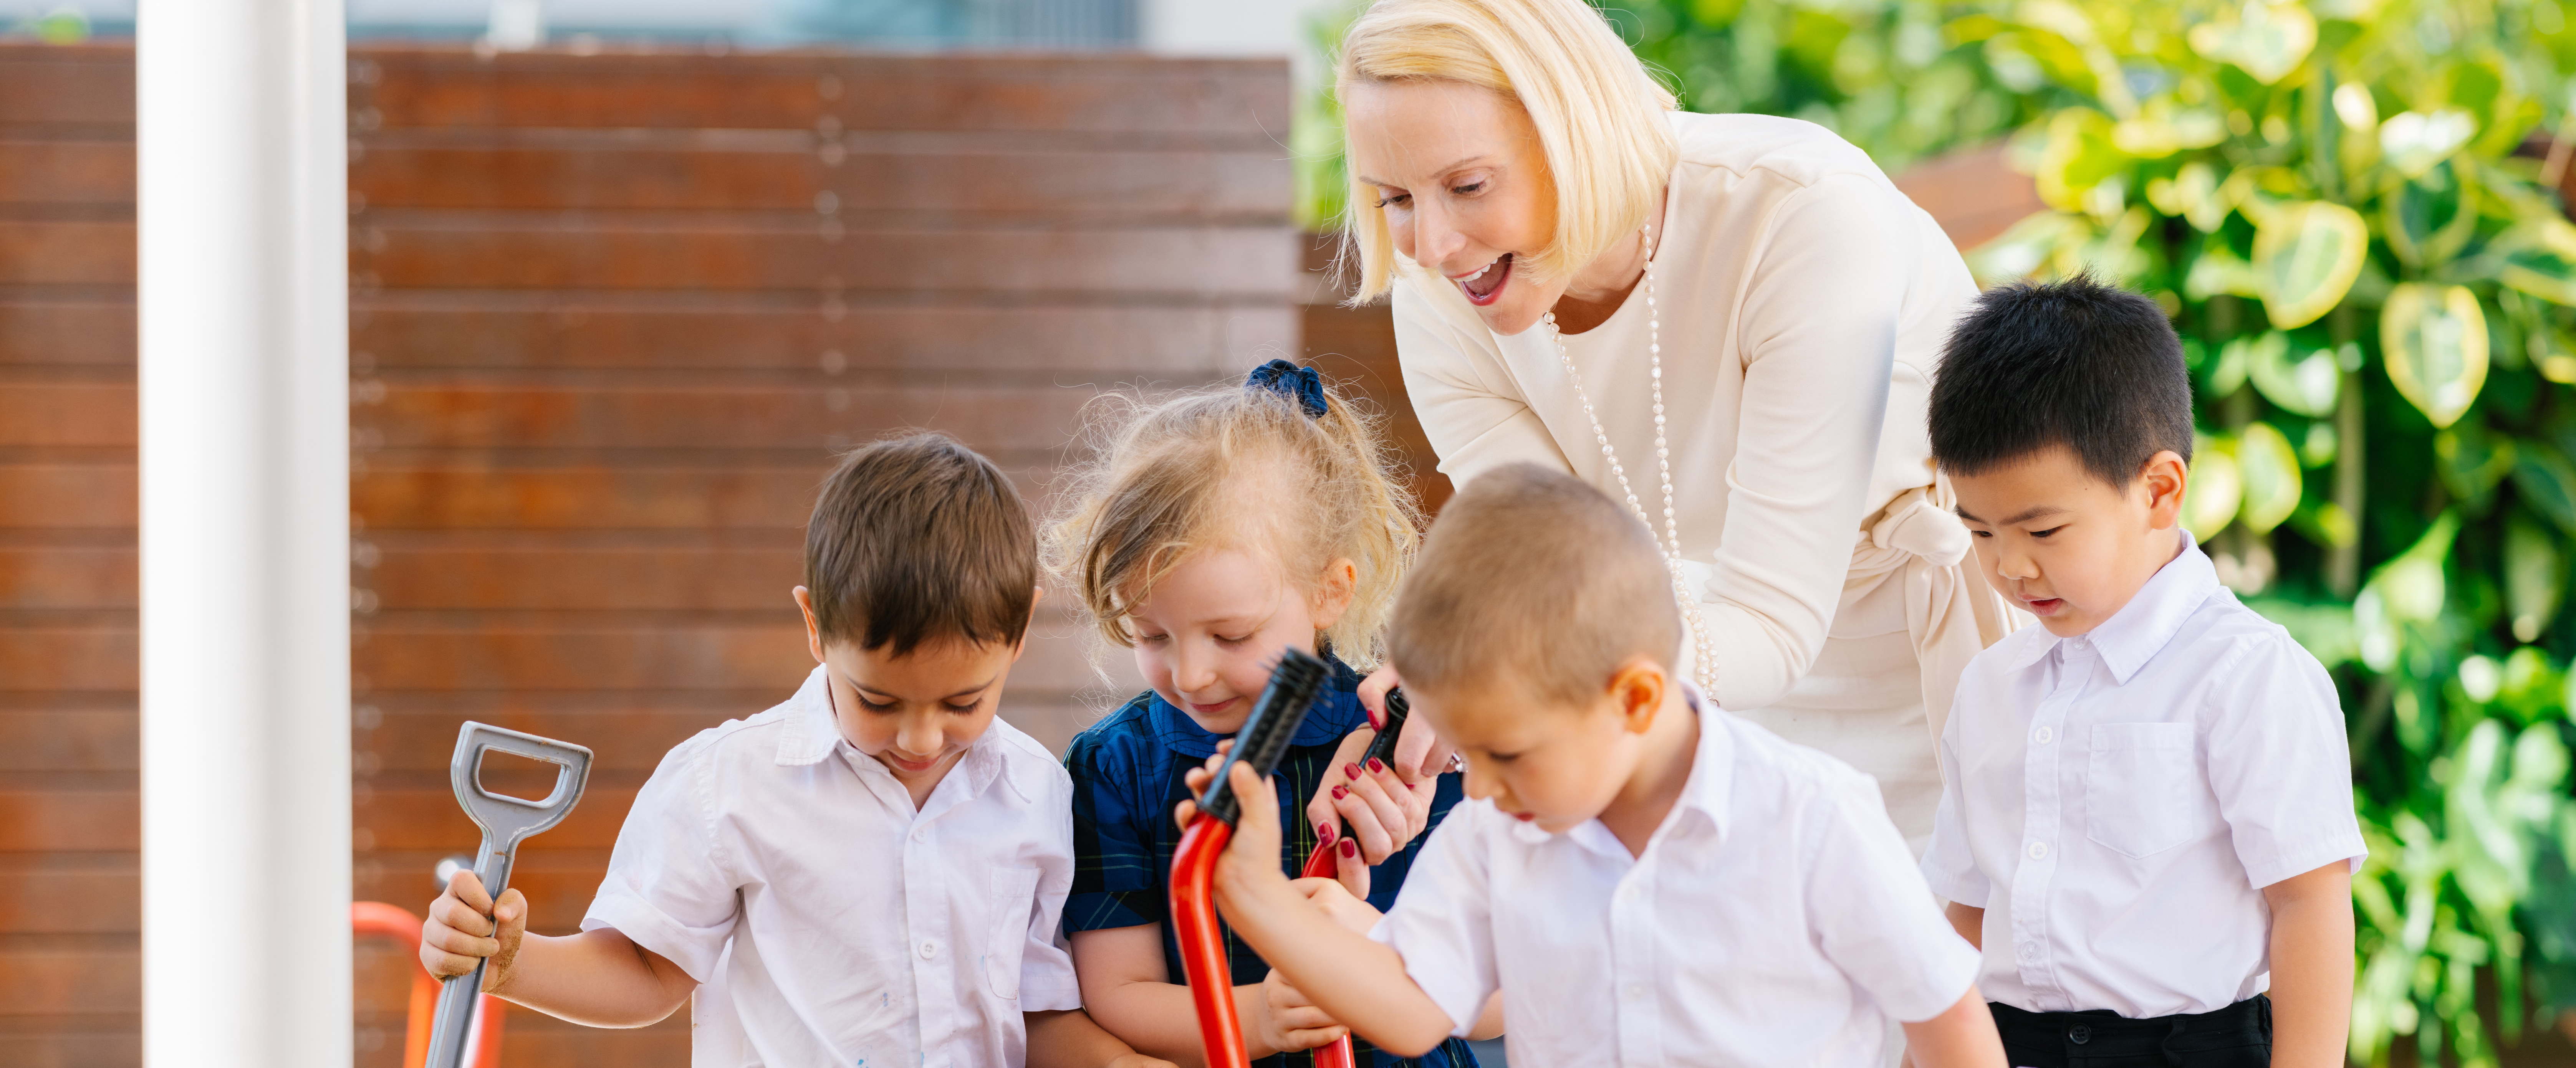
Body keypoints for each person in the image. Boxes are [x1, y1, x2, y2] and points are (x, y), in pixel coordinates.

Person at [1304, 0, 2024, 857]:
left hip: (1925, 680)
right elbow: (1550, 572)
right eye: (1393, 198)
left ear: (1577, 128)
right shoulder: (1440, 293)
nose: (1433, 243)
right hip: (1671, 702)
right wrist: (1447, 699)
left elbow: (1769, 618)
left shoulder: (1800, 213)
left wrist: (1497, 683)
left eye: (1467, 186)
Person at [1183, 462, 2007, 1067]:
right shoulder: (1495, 833)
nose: (1478, 786)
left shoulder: (1812, 815)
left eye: (1506, 752)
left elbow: (1948, 1022)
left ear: (1636, 700)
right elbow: (1410, 1007)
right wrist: (1253, 892)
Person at [416, 434, 1167, 1068]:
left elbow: (1034, 1014)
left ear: (1021, 630)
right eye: (877, 699)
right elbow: (648, 969)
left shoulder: (1036, 793)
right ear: (815, 625)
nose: (920, 737)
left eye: (963, 702)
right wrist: (512, 961)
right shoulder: (729, 787)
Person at [1918, 277, 2366, 1067]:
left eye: (2043, 528)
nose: (2010, 566)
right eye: (1981, 532)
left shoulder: (2247, 675)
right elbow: (1964, 906)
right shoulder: (1990, 686)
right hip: (2008, 1040)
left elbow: (2311, 900)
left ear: (2159, 490)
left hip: (2187, 1048)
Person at [1044, 362, 1489, 1066]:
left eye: (1230, 635)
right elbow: (1118, 989)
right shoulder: (1115, 766)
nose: (1189, 674)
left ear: (1329, 591)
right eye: (1151, 634)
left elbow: (1504, 992)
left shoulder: (1417, 739)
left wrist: (1381, 953)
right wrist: (1261, 1016)